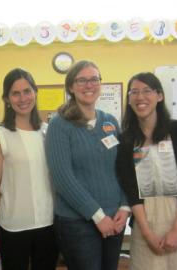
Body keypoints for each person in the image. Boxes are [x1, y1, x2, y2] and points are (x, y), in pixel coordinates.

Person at [45, 60, 130, 270]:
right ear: (71, 87)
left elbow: (123, 168)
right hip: (78, 223)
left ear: (101, 83)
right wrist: (98, 216)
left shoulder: (110, 121)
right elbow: (63, 178)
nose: (88, 85)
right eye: (81, 80)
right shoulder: (59, 124)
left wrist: (125, 206)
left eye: (93, 79)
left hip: (115, 219)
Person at [116, 72, 177, 270]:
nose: (140, 97)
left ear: (159, 96)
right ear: (129, 99)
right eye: (134, 92)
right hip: (145, 222)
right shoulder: (126, 140)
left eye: (147, 91)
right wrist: (147, 234)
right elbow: (131, 189)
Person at [0, 68, 58, 270]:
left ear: (35, 93)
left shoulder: (48, 131)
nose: (23, 98)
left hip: (48, 224)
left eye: (27, 91)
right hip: (13, 227)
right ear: (7, 99)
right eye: (15, 93)